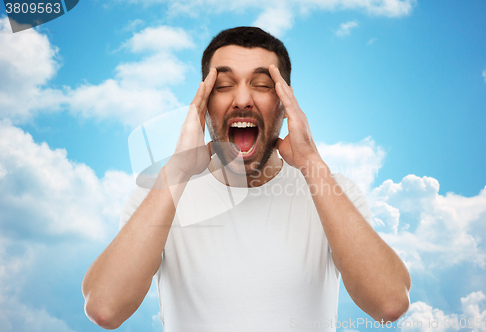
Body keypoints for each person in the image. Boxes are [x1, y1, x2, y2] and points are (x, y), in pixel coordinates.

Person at [82, 27, 411, 331]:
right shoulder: (162, 195)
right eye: (223, 86)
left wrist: (312, 164)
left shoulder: (331, 192)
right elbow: (106, 309)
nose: (241, 99)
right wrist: (179, 170)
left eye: (263, 85)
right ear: (205, 106)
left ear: (285, 104)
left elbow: (389, 303)